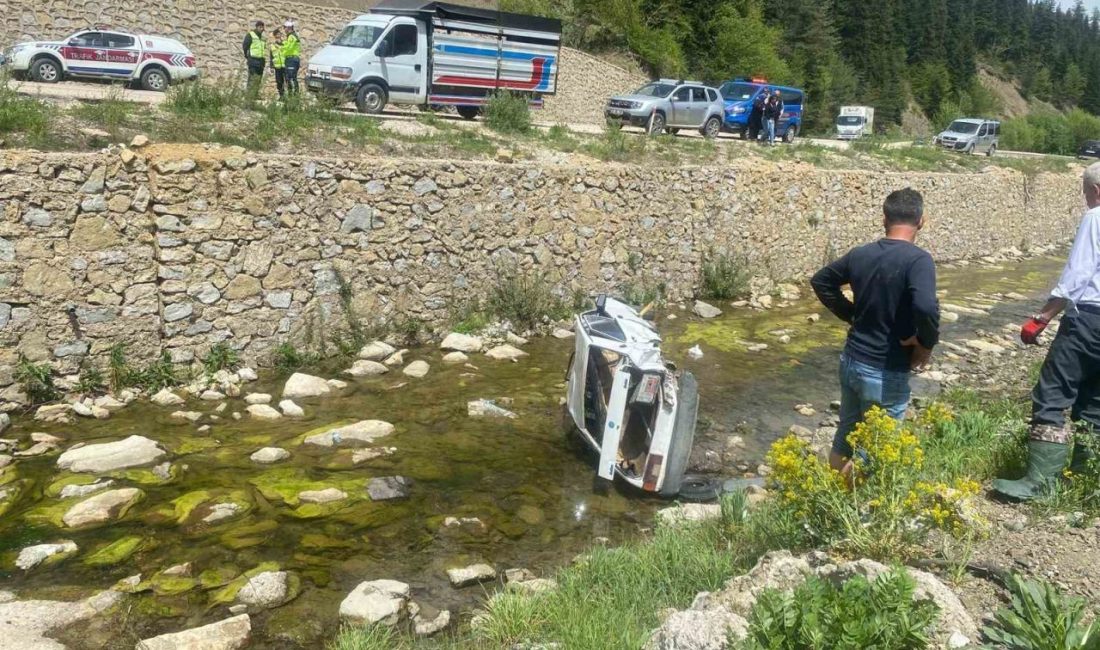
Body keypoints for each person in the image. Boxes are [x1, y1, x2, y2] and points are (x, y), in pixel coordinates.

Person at [811, 188, 940, 478]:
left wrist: (853, 315)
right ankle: (852, 502)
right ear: (921, 221)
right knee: (877, 448)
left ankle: (833, 493)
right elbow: (925, 306)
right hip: (885, 368)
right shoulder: (918, 260)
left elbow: (822, 282)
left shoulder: (861, 254)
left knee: (846, 435)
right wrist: (926, 343)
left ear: (884, 218)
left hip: (851, 361)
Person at [993, 162, 1100, 500]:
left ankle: (1039, 484)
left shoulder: (1096, 217)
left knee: (1052, 394)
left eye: (1086, 193)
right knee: (1096, 402)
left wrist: (1043, 317)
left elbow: (1078, 275)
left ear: (1096, 190)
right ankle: (1084, 483)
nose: (1086, 199)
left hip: (1089, 321)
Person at [243, 20, 267, 99]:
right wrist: (247, 56)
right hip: (253, 60)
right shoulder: (250, 35)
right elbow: (245, 46)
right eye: (260, 27)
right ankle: (249, 96)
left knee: (258, 79)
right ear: (256, 27)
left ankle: (255, 94)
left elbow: (264, 49)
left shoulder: (263, 38)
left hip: (261, 61)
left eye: (262, 27)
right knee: (252, 78)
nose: (262, 29)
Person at [282, 20, 302, 95]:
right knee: (289, 78)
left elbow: (289, 48)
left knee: (291, 78)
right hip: (291, 59)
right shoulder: (291, 36)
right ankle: (291, 95)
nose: (284, 29)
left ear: (288, 28)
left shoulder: (292, 36)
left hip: (292, 59)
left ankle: (294, 96)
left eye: (284, 27)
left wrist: (281, 48)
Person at [270, 28, 286, 100]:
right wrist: (271, 66)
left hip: (285, 65)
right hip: (277, 67)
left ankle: (288, 96)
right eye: (277, 34)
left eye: (279, 34)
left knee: (287, 81)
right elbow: (271, 56)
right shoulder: (272, 45)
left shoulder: (284, 44)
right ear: (274, 36)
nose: (278, 35)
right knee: (279, 82)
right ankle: (282, 96)